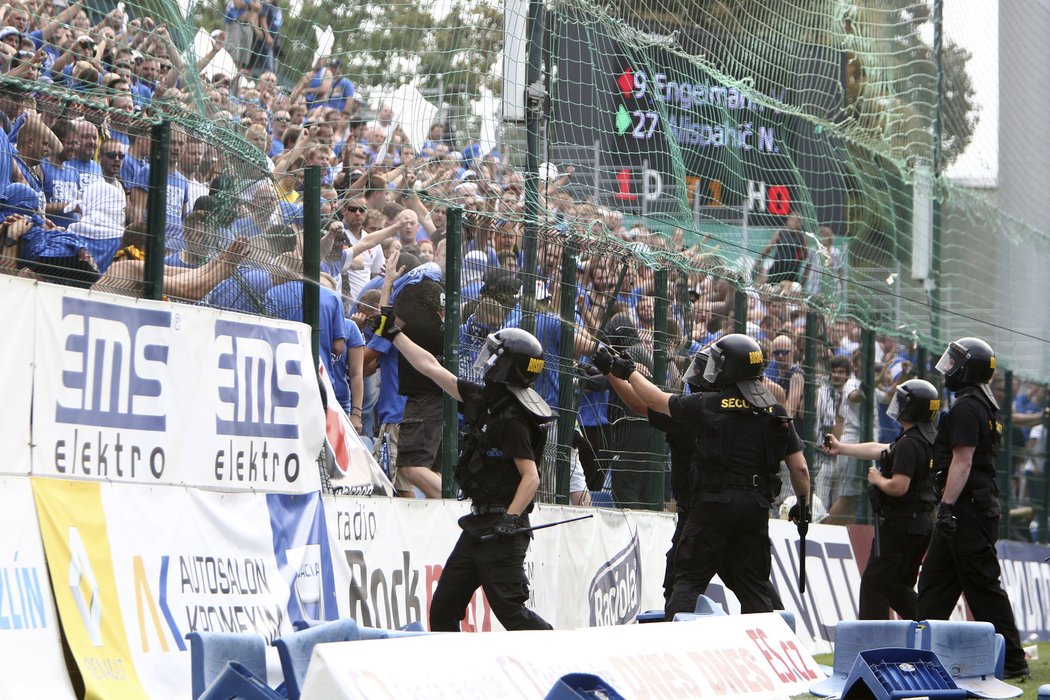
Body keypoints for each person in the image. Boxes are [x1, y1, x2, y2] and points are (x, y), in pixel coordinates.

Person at [597, 333, 810, 617]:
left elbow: (651, 400)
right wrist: (803, 503)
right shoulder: (775, 411)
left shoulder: (704, 405)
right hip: (755, 508)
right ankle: (771, 652)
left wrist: (628, 372)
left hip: (710, 507)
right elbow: (800, 468)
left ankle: (680, 647)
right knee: (755, 588)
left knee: (687, 582)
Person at [375, 318, 554, 632]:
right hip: (478, 528)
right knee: (444, 609)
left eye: (494, 354)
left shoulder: (513, 420)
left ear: (506, 365)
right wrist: (393, 333)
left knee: (512, 613)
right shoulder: (487, 400)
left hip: (502, 531)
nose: (487, 359)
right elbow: (430, 367)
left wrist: (510, 520)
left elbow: (531, 477)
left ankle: (559, 661)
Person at [916, 337, 1029, 680]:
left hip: (966, 510)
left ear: (967, 369)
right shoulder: (983, 405)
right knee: (934, 584)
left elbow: (963, 461)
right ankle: (918, 656)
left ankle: (1012, 662)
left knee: (982, 587)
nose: (947, 367)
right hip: (969, 508)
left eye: (953, 362)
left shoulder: (967, 406)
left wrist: (947, 507)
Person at [824, 379, 939, 619]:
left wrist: (878, 480)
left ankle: (872, 645)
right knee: (898, 589)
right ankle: (933, 632)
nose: (896, 405)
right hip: (919, 524)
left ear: (911, 408)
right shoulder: (924, 440)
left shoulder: (909, 444)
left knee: (874, 585)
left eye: (901, 401)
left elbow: (898, 486)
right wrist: (841, 448)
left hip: (901, 525)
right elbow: (879, 448)